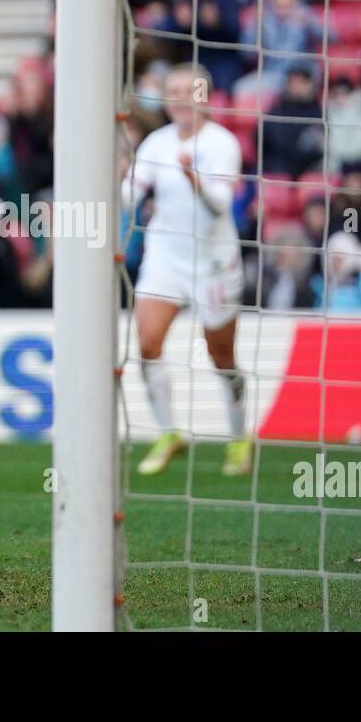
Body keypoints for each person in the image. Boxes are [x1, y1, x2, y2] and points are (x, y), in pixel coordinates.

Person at [122, 64, 251, 477]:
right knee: (147, 342)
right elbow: (130, 198)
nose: (177, 98)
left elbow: (219, 207)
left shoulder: (221, 144)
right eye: (171, 90)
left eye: (186, 90)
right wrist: (121, 179)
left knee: (221, 355)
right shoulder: (156, 143)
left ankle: (238, 437)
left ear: (203, 96)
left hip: (213, 261)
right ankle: (168, 432)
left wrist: (194, 181)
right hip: (165, 256)